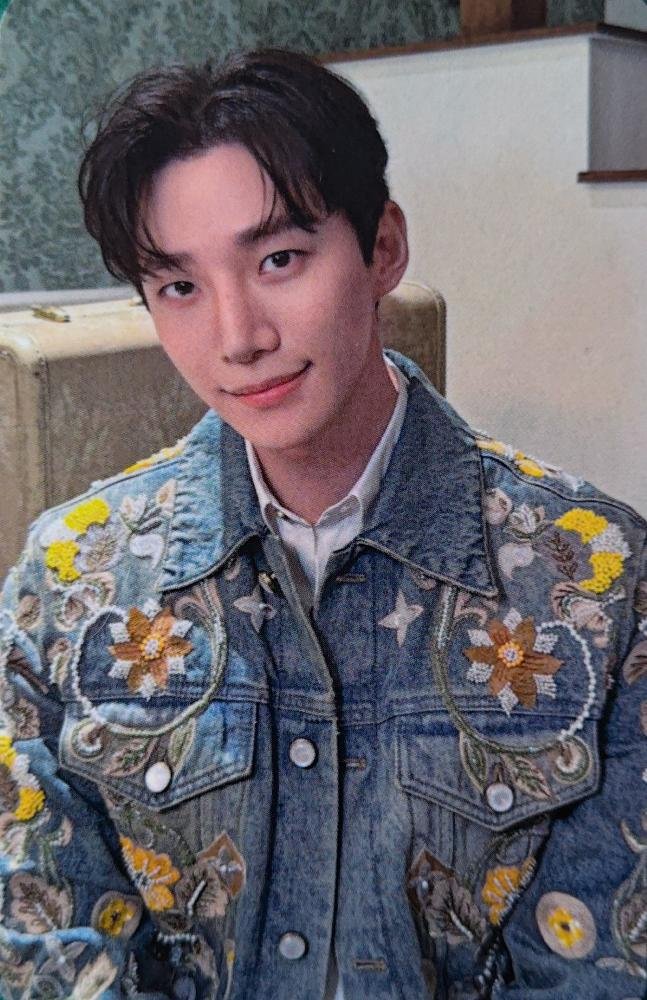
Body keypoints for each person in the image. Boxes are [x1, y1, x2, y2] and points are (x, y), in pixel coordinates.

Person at [0, 47, 645, 1000]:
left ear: (382, 247)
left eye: (278, 260)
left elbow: (602, 968)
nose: (237, 337)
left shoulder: (596, 581)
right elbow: (45, 951)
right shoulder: (69, 577)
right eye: (179, 287)